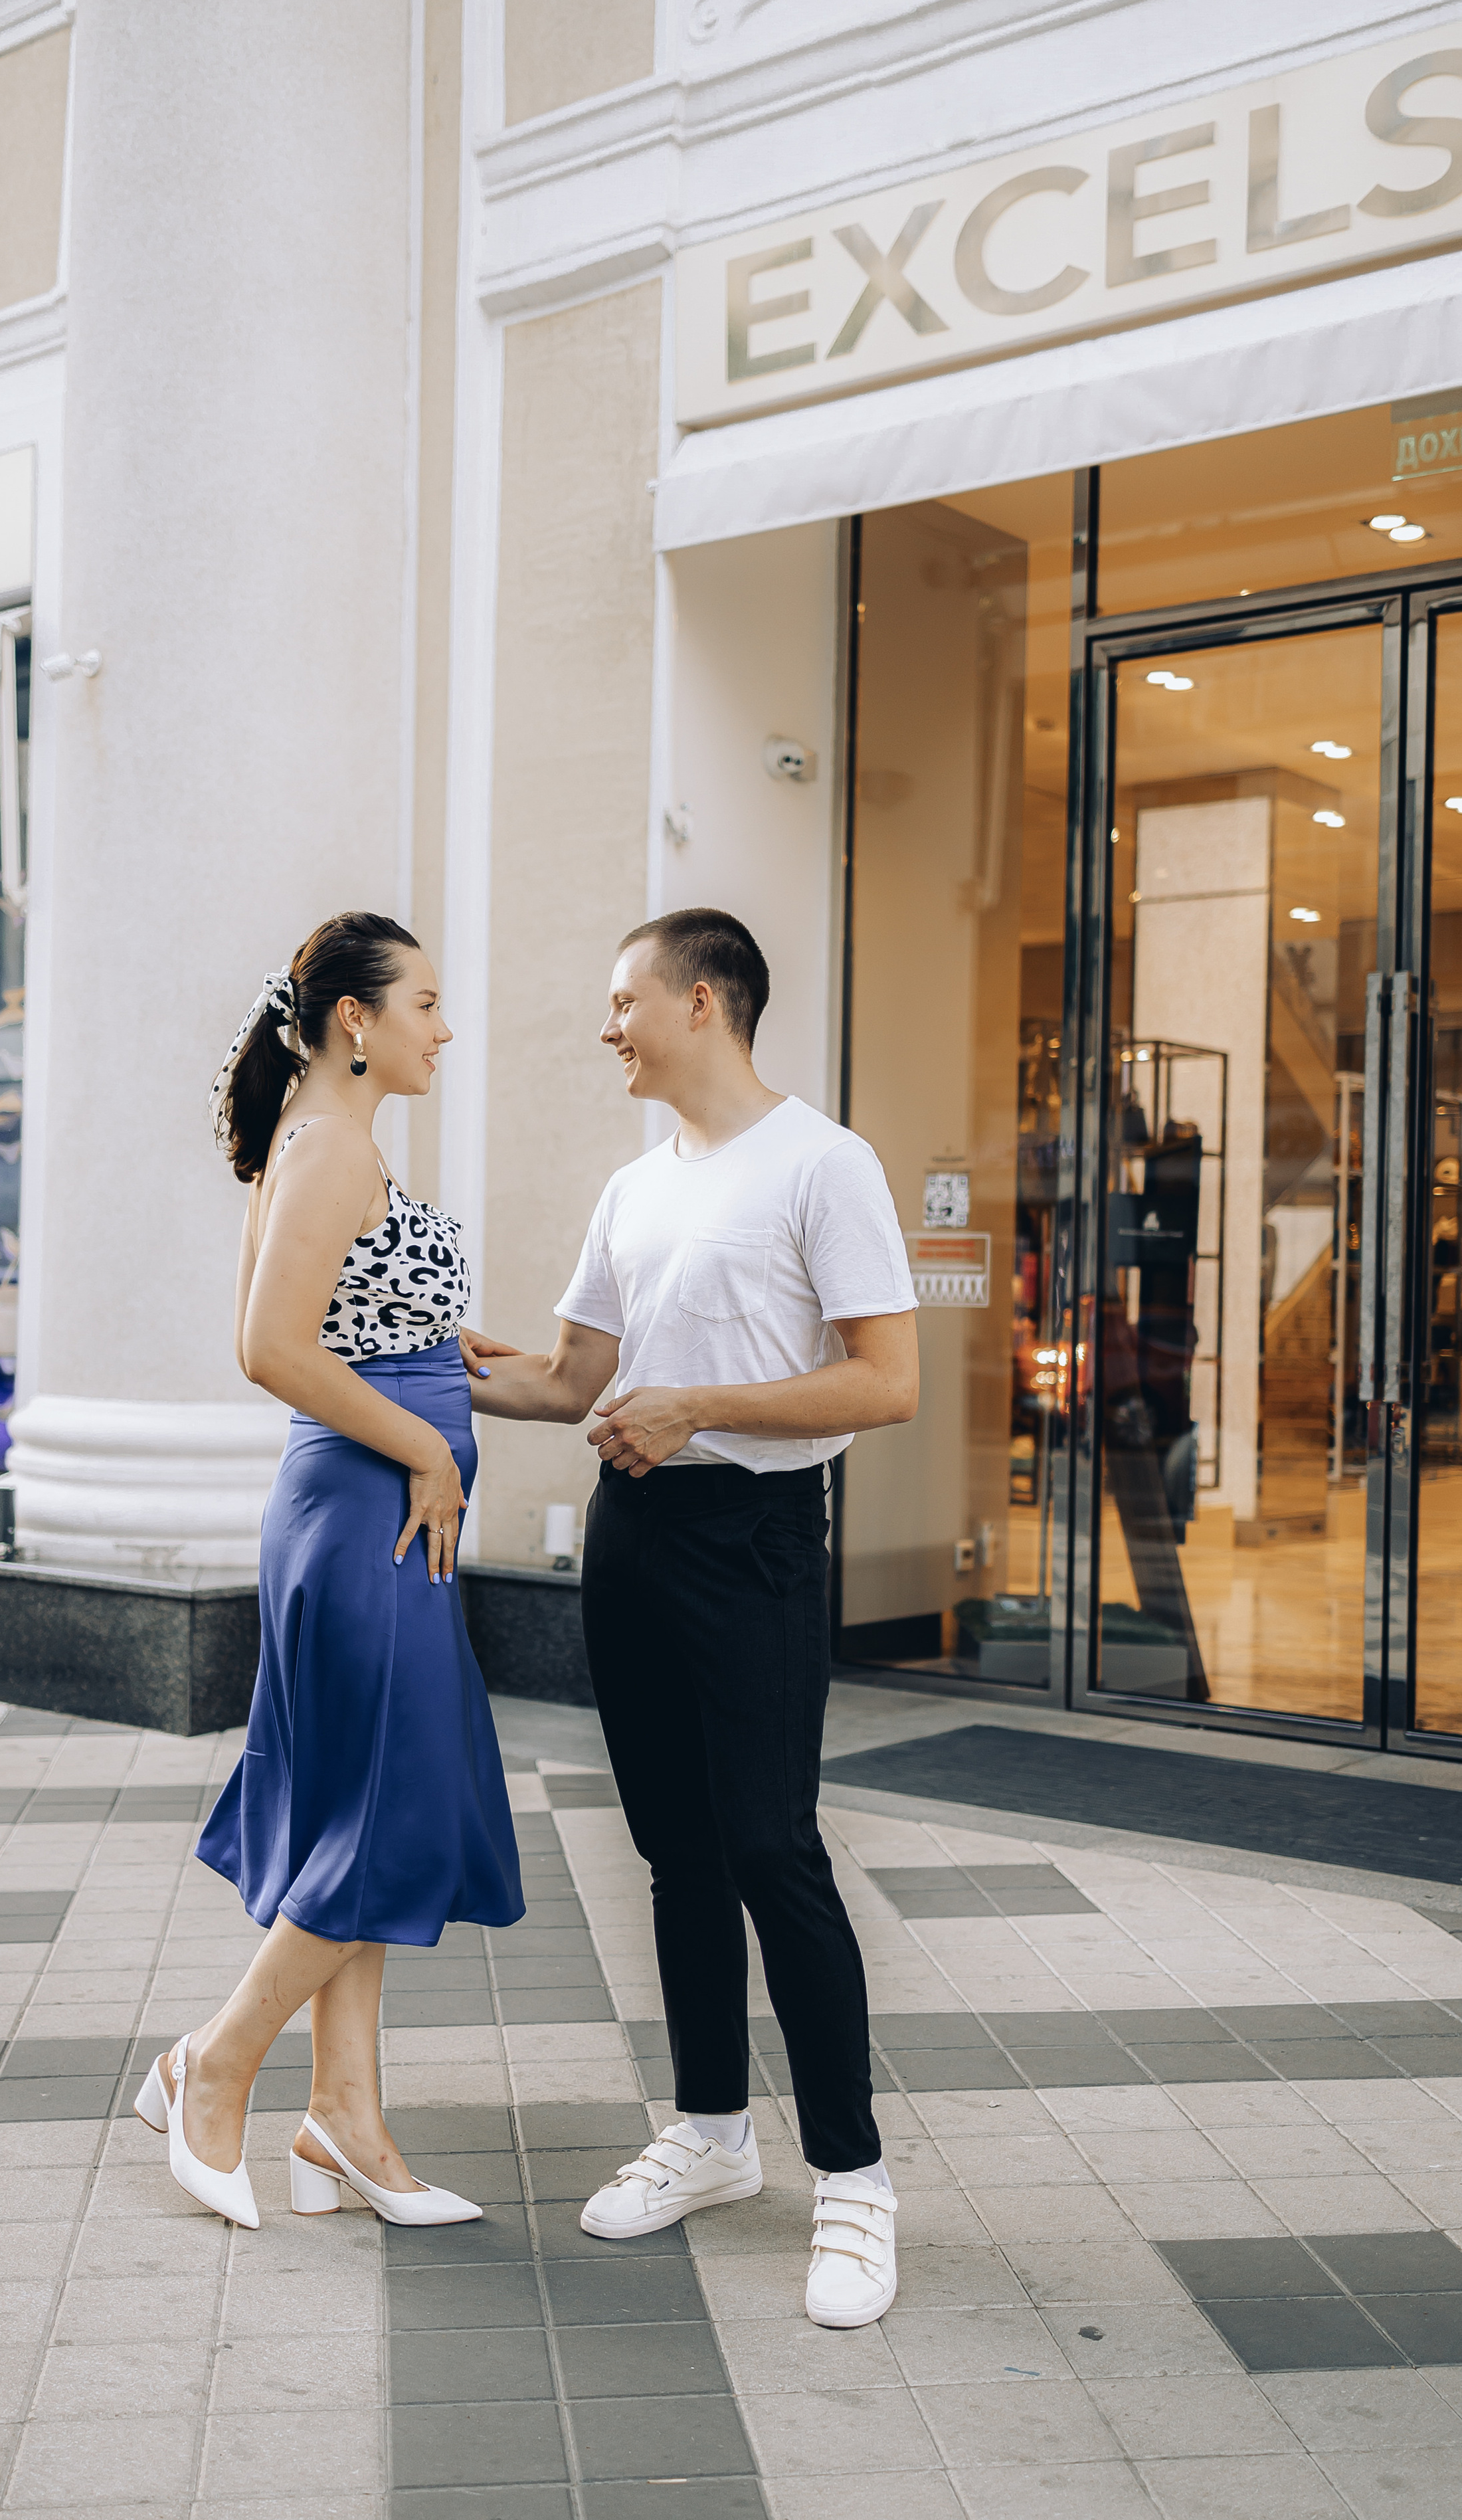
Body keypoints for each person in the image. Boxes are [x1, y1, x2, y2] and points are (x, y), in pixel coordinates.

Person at [466, 908, 918, 2328]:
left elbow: (883, 1383)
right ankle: (711, 2136)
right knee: (671, 1851)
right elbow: (574, 1378)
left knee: (772, 1849)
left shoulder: (822, 1163)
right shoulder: (632, 1186)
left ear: (703, 1002)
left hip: (755, 1533)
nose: (605, 1025)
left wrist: (698, 1406)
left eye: (622, 1000)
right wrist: (423, 1364)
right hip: (635, 1530)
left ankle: (851, 2180)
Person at [134, 913, 523, 2231]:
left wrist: (450, 1351)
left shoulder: (331, 1141)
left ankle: (344, 2120)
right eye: (424, 1002)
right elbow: (265, 1345)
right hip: (363, 1512)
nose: (442, 1027)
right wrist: (426, 1444)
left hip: (369, 1512)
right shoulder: (326, 1146)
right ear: (354, 1019)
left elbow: (347, 1315)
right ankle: (214, 2060)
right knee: (393, 1807)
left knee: (361, 1805)